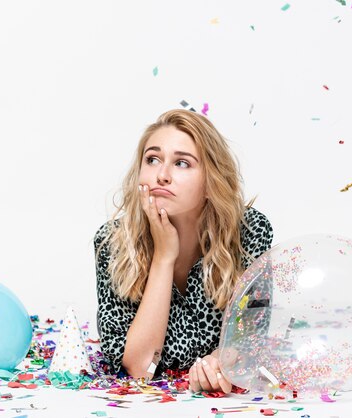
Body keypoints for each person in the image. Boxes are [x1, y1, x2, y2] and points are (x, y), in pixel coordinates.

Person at [94, 109, 273, 393]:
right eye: (152, 159)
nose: (162, 175)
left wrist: (220, 363)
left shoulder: (249, 233)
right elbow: (141, 369)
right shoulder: (114, 242)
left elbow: (248, 338)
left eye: (182, 163)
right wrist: (164, 257)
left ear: (210, 182)